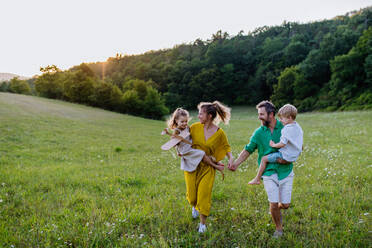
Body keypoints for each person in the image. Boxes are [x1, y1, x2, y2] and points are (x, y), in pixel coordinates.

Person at [229, 100, 294, 238]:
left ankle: (274, 209)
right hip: (268, 172)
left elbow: (296, 145)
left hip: (286, 170)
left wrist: (290, 158)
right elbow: (248, 149)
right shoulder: (258, 133)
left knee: (286, 205)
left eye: (262, 114)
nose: (259, 117)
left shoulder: (285, 128)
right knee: (274, 202)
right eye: (258, 114)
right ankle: (279, 228)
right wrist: (235, 164)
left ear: (271, 114)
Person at [184, 101, 233, 233]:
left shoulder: (219, 132)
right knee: (193, 197)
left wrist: (231, 158)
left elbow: (226, 146)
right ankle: (195, 206)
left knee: (204, 195)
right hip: (192, 165)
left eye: (201, 113)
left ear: (210, 116)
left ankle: (202, 224)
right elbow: (182, 137)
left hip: (208, 168)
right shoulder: (194, 128)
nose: (198, 116)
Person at [248, 104, 303, 185]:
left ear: (290, 117)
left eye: (282, 118)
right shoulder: (297, 127)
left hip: (285, 156)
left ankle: (257, 178)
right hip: (294, 155)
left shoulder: (286, 129)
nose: (280, 120)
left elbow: (282, 144)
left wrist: (274, 145)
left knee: (264, 159)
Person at [162, 107, 225, 173]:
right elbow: (174, 143)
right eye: (182, 122)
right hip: (185, 150)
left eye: (186, 121)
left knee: (204, 149)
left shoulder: (187, 127)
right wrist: (178, 152)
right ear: (176, 121)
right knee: (202, 153)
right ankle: (215, 166)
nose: (184, 123)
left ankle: (216, 162)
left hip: (190, 146)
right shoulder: (177, 131)